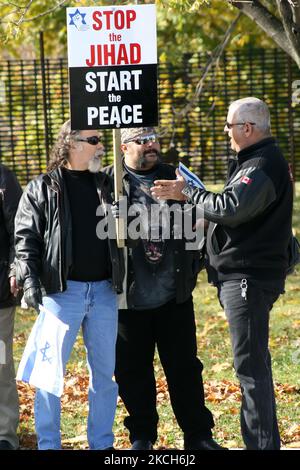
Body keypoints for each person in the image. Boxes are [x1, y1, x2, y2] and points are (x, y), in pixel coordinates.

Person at [151, 97, 293, 450]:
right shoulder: (251, 162)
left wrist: (190, 193)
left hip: (248, 277)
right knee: (252, 366)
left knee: (250, 370)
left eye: (229, 125)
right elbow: (234, 213)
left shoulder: (262, 163)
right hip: (242, 275)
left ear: (247, 128)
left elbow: (232, 208)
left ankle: (261, 446)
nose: (226, 132)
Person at [104, 127, 225, 451]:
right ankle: (142, 435)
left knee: (185, 369)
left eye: (154, 138)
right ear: (124, 147)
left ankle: (198, 435)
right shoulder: (108, 182)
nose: (151, 145)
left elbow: (211, 215)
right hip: (128, 298)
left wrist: (187, 203)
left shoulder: (177, 176)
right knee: (132, 372)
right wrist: (107, 215)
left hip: (174, 294)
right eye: (142, 140)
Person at [14, 120, 124, 450]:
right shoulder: (43, 187)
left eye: (101, 140)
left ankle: (102, 446)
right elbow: (25, 238)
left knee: (105, 377)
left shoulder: (108, 185)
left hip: (104, 292)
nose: (101, 146)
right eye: (94, 140)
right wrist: (30, 279)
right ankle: (49, 445)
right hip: (61, 294)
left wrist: (124, 211)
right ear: (71, 143)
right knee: (49, 378)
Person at [0, 164, 22, 450]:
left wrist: (16, 268)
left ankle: (5, 433)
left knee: (0, 363)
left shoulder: (4, 177)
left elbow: (19, 230)